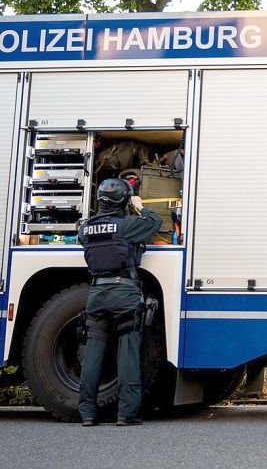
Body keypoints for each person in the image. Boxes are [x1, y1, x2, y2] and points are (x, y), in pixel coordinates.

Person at [77, 178, 162, 426]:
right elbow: (155, 222)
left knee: (92, 356)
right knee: (128, 356)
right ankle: (126, 414)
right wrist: (140, 206)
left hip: (96, 294)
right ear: (124, 200)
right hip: (124, 293)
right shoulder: (127, 226)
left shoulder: (85, 229)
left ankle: (87, 414)